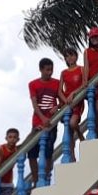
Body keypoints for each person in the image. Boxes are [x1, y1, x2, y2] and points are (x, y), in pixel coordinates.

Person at [28, 57, 60, 185]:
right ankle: (36, 179)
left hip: (52, 123)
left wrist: (57, 107)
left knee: (48, 151)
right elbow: (35, 104)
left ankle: (45, 177)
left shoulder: (56, 83)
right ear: (41, 69)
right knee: (31, 153)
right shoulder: (33, 84)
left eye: (51, 70)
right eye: (47, 70)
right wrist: (42, 118)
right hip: (38, 122)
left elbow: (61, 99)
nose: (49, 72)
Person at [58, 49, 86, 159]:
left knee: (73, 123)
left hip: (77, 101)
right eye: (67, 56)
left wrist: (74, 93)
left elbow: (84, 84)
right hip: (66, 103)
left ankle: (80, 135)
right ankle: (72, 156)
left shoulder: (81, 69)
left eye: (71, 55)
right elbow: (60, 90)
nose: (69, 58)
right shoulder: (63, 73)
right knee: (68, 132)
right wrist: (65, 100)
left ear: (76, 56)